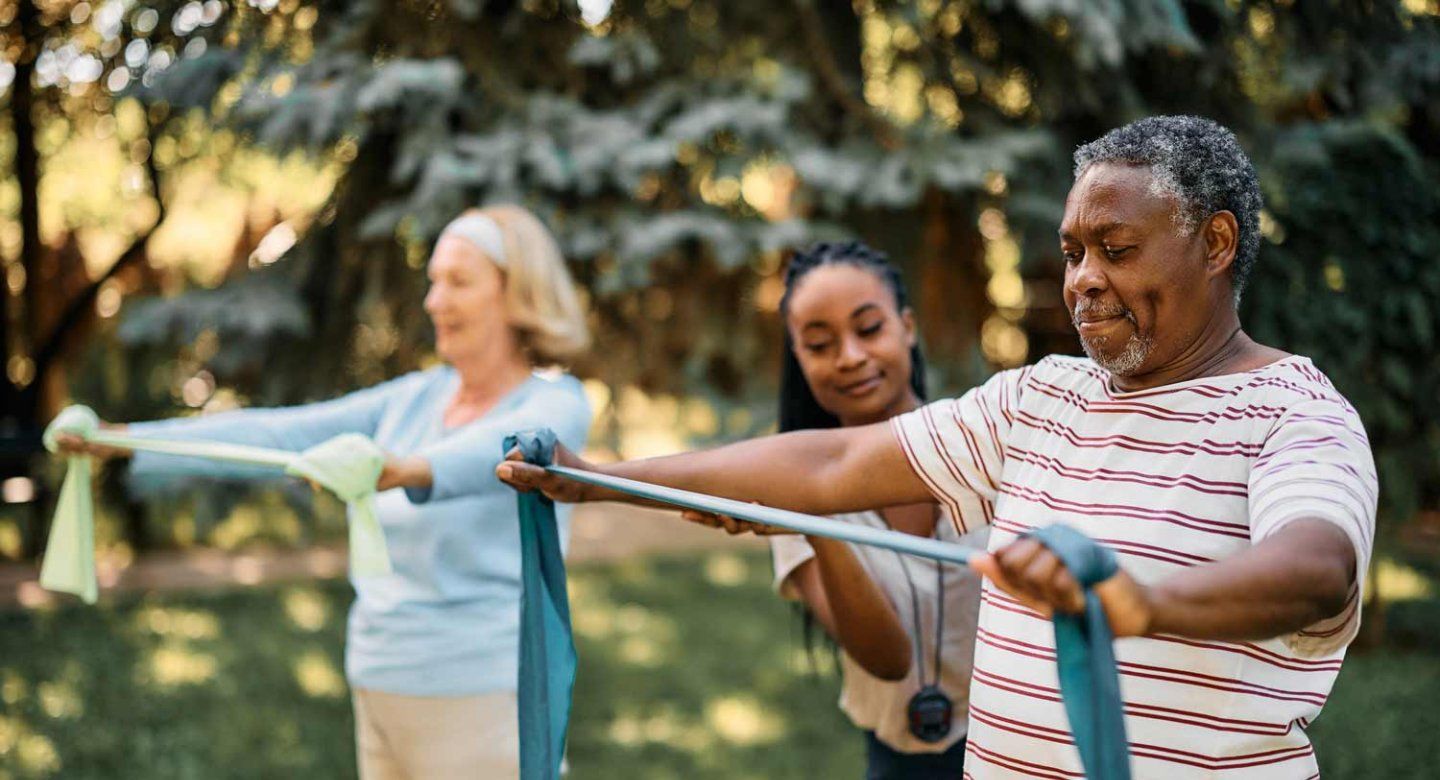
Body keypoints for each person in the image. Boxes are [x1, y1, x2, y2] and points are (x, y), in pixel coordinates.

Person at [497, 116, 1376, 778]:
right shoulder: (1040, 397)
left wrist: (1141, 601)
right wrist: (599, 478)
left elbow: (1318, 568)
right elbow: (832, 463)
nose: (1081, 280)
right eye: (1072, 251)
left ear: (1216, 243)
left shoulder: (1295, 413)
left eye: (1115, 249)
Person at [58, 205, 593, 779]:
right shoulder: (413, 399)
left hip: (487, 699)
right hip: (379, 688)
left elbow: (507, 450)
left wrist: (407, 469)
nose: (435, 301)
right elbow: (279, 433)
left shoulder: (555, 402)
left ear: (516, 295)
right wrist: (123, 440)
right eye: (434, 281)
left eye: (459, 282)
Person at [686, 240, 986, 777]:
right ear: (798, 359)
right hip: (898, 761)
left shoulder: (981, 446)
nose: (849, 357)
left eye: (868, 329)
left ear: (908, 327)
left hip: (1022, 739)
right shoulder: (791, 496)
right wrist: (813, 518)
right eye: (820, 344)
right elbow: (887, 659)